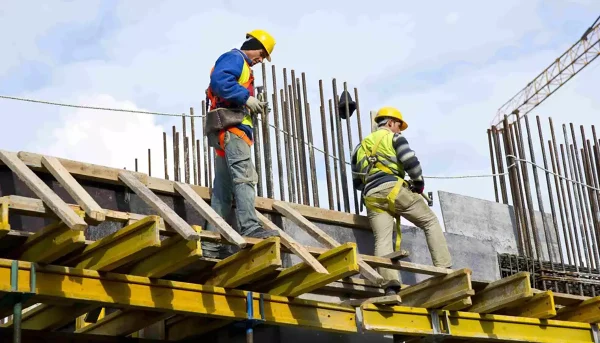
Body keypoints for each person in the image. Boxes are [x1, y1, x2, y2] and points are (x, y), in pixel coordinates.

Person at [351, 106, 452, 294]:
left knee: (382, 239)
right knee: (430, 222)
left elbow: (357, 182)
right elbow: (411, 163)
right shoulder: (394, 138)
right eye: (398, 125)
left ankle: (390, 286)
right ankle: (445, 270)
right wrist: (418, 184)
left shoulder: (359, 148)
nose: (399, 130)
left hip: (371, 197)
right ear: (390, 123)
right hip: (395, 189)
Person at [202, 30, 280, 259]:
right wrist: (246, 98)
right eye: (262, 54)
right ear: (253, 45)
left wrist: (251, 104)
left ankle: (211, 245)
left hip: (227, 132)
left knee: (223, 193)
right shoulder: (235, 58)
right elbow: (220, 81)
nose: (261, 60)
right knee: (245, 177)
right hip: (233, 131)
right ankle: (250, 227)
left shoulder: (243, 67)